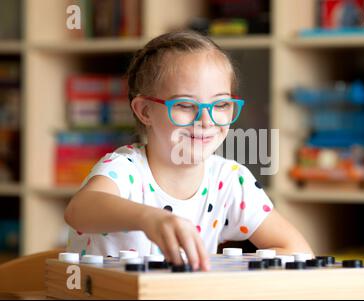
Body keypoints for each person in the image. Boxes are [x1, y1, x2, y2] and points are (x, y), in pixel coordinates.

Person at [64, 30, 313, 271]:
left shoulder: (229, 180)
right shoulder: (125, 169)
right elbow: (79, 210)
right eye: (185, 104)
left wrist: (226, 274)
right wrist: (150, 219)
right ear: (145, 111)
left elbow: (297, 251)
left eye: (221, 104)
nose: (206, 120)